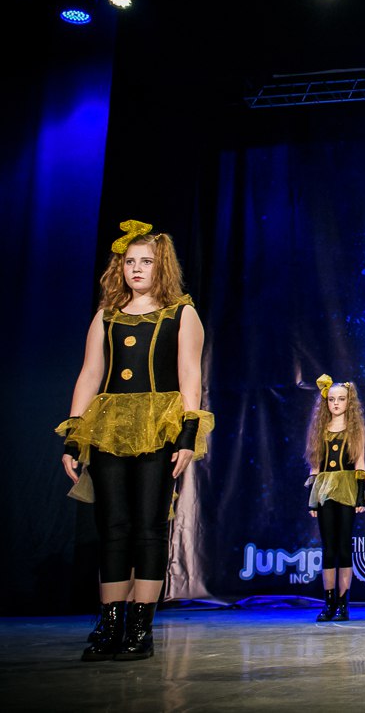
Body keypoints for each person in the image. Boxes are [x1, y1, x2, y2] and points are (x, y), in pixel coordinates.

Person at [58, 220, 214, 662]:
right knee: (113, 526)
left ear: (162, 266)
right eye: (130, 262)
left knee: (149, 526)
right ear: (120, 267)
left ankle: (140, 627)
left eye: (146, 261)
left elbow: (190, 376)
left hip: (158, 426)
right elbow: (90, 374)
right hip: (109, 426)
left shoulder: (181, 313)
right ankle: (110, 623)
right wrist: (73, 436)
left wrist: (187, 434)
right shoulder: (106, 315)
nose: (137, 269)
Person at [305, 374, 365, 622]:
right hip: (324, 489)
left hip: (347, 488)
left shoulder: (355, 431)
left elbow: (360, 464)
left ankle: (343, 602)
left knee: (344, 546)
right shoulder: (320, 430)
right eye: (331, 399)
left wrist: (360, 497)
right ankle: (329, 601)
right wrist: (312, 499)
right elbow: (315, 467)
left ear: (348, 402)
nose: (335, 403)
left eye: (341, 399)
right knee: (328, 548)